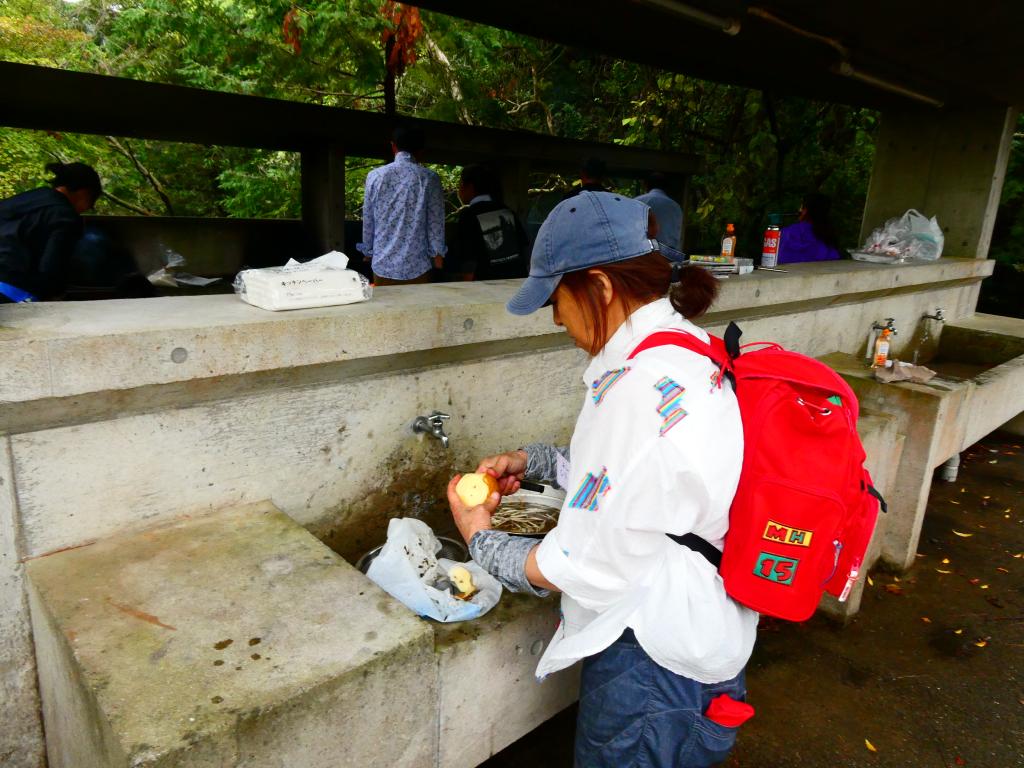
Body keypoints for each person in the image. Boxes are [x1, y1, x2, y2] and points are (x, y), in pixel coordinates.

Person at [446, 191, 757, 767]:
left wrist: (479, 538)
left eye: (557, 299)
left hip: (654, 667)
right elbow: (644, 478)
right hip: (699, 633)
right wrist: (535, 460)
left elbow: (583, 564)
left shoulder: (637, 382)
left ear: (601, 286)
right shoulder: (684, 348)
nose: (558, 318)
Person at [0, 161, 102, 303]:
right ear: (85, 193)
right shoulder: (66, 216)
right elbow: (52, 267)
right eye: (91, 203)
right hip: (13, 290)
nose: (87, 208)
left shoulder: (22, 199)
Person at [357, 125, 446, 285]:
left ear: (393, 146)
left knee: (385, 310)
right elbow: (435, 223)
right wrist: (438, 258)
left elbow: (368, 220)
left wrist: (368, 252)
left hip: (383, 266)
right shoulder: (430, 178)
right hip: (418, 267)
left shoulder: (375, 176)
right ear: (420, 151)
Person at [449, 164, 530, 281]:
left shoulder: (469, 215)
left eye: (460, 185)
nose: (459, 190)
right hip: (517, 282)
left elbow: (467, 256)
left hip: (486, 285)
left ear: (470, 187)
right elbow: (524, 248)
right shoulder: (508, 211)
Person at [777, 192, 843, 264]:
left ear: (805, 210)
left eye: (802, 207)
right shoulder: (829, 235)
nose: (799, 210)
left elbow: (779, 258)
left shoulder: (790, 232)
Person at [634, 171, 684, 251]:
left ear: (646, 185)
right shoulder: (675, 206)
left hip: (641, 253)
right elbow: (677, 235)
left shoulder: (637, 202)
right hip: (668, 255)